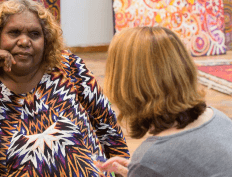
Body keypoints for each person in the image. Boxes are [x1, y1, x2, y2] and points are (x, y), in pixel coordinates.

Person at [0, 0, 129, 176]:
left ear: (46, 40)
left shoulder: (67, 67)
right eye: (14, 33)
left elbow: (108, 126)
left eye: (34, 34)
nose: (24, 41)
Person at [97, 26, 232, 176]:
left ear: (123, 84)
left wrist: (144, 170)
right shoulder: (219, 119)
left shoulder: (151, 159)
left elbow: (163, 161)